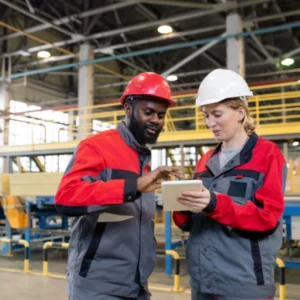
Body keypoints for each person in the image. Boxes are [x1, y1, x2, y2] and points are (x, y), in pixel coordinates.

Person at [55, 72, 182, 300]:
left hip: (136, 285)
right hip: (98, 286)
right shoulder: (97, 147)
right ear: (128, 109)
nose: (156, 120)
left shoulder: (143, 157)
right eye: (149, 112)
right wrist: (133, 186)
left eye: (161, 115)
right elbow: (66, 196)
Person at [173, 68, 287, 300]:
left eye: (217, 114)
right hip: (203, 280)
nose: (209, 122)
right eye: (205, 115)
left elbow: (268, 218)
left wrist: (214, 203)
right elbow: (189, 224)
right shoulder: (206, 160)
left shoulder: (267, 154)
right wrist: (182, 205)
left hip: (244, 284)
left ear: (240, 113)